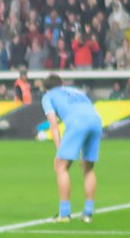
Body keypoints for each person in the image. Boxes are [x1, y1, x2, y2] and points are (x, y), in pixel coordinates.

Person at [42, 74, 102, 222]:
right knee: (88, 168)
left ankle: (64, 214)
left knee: (61, 167)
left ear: (46, 88)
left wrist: (59, 151)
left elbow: (53, 125)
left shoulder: (48, 96)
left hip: (77, 122)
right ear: (62, 83)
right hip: (96, 121)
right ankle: (87, 214)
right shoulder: (76, 91)